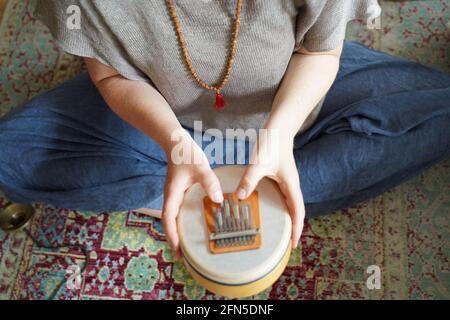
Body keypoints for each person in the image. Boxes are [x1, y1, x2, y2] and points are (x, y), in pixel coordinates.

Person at [0, 0, 449, 259]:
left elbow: (318, 53)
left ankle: (235, 182)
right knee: (10, 153)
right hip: (165, 124)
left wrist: (278, 135)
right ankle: (216, 185)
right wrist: (175, 143)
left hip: (294, 107)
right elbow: (113, 78)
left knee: (437, 109)